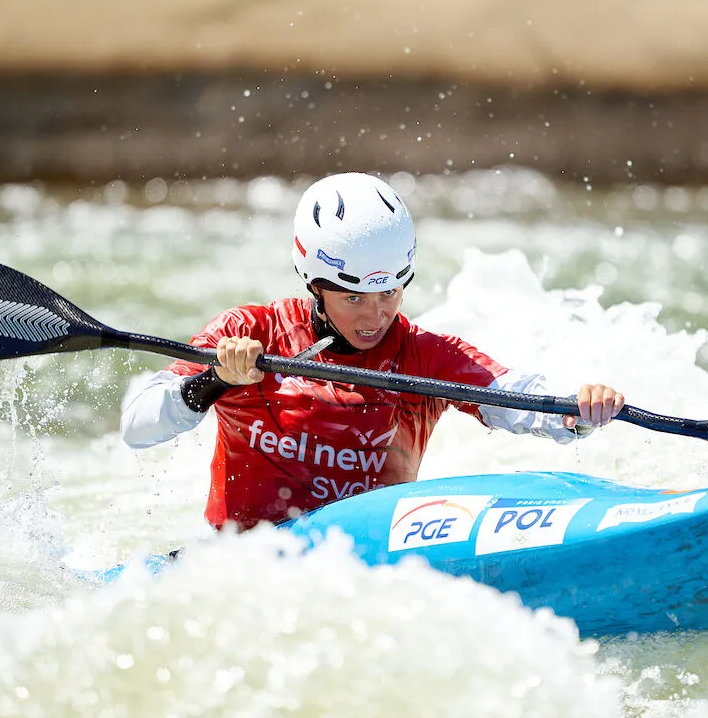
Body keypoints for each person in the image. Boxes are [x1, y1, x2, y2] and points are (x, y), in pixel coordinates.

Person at [121, 172, 623, 528]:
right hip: (244, 565)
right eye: (354, 297)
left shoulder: (424, 355)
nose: (375, 316)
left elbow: (513, 395)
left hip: (366, 571)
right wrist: (215, 381)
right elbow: (137, 426)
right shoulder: (252, 332)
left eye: (390, 294)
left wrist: (575, 411)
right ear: (316, 286)